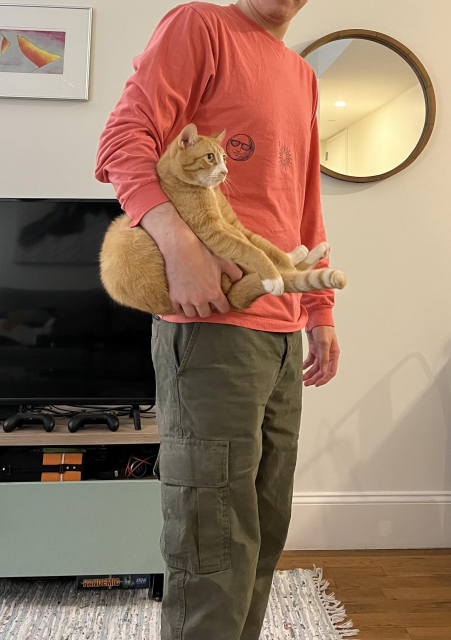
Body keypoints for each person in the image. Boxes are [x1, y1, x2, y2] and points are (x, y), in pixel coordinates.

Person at [95, 1, 341, 638]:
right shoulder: (199, 27)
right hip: (212, 330)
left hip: (283, 332)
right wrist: (180, 249)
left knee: (261, 531)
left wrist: (319, 310)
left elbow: (302, 201)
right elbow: (124, 139)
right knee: (213, 544)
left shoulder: (301, 73)